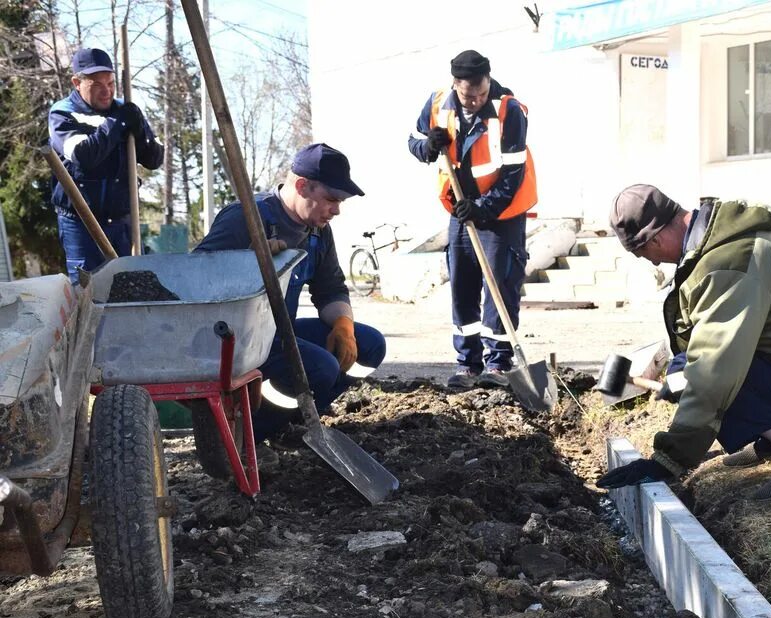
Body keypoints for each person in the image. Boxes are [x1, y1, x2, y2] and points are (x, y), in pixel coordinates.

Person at [596, 185, 771, 499]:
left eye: (645, 254)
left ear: (655, 238)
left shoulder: (728, 261)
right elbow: (707, 334)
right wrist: (679, 370)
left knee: (715, 377)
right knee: (699, 371)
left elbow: (715, 370)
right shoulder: (721, 243)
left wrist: (669, 459)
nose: (655, 264)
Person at [193, 143, 386, 444]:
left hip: (277, 333)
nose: (336, 210)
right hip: (235, 341)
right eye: (331, 200)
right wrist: (247, 263)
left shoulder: (318, 231)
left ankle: (296, 422)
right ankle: (247, 435)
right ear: (302, 186)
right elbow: (195, 277)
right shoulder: (245, 218)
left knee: (370, 345)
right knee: (321, 368)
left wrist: (343, 326)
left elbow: (330, 287)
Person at [408, 49, 538, 389]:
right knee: (462, 283)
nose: (475, 101)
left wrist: (483, 207)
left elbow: (512, 174)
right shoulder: (438, 104)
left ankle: (499, 362)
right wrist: (429, 146)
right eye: (468, 95)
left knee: (499, 284)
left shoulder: (509, 111)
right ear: (455, 85)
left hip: (503, 212)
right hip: (460, 208)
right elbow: (414, 141)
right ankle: (467, 363)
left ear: (488, 82)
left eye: (481, 93)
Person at [48, 47, 164, 283]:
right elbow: (84, 154)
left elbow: (154, 159)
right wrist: (117, 124)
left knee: (128, 288)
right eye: (97, 85)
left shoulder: (125, 110)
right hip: (81, 224)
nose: (106, 91)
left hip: (121, 223)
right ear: (76, 83)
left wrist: (139, 131)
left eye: (110, 83)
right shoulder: (63, 114)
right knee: (87, 291)